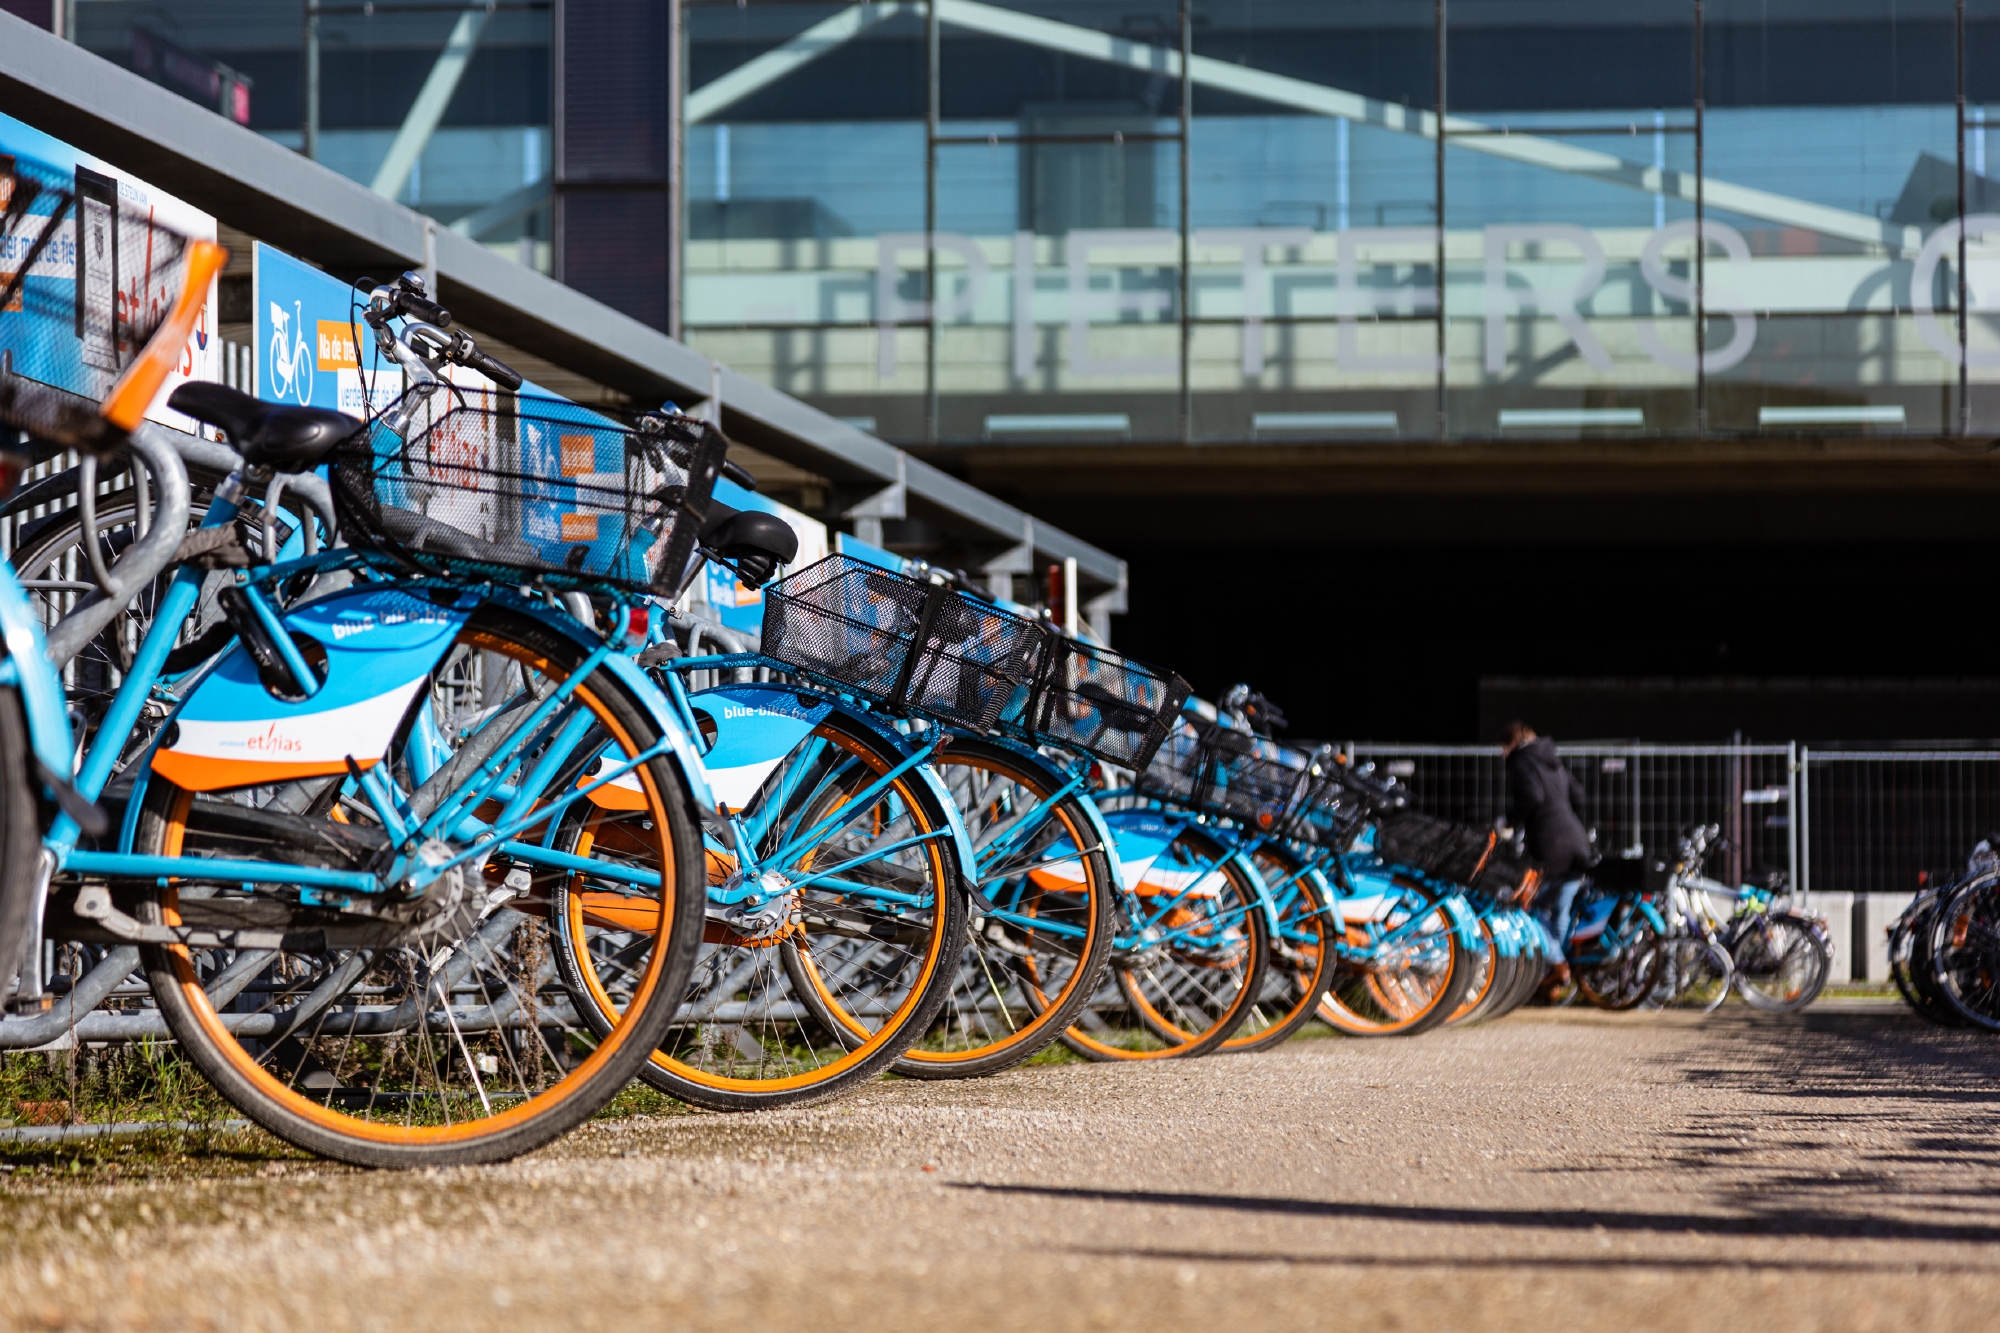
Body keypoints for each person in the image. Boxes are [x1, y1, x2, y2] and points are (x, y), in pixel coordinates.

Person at [1502, 721, 1594, 977]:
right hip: (1576, 841)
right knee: (1561, 911)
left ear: (1511, 743)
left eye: (1503, 747)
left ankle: (1557, 965)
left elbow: (1531, 797)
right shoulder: (1551, 759)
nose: (1502, 755)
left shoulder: (1523, 761)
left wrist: (1508, 821)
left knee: (1530, 908)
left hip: (1550, 846)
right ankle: (1558, 971)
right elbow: (1579, 797)